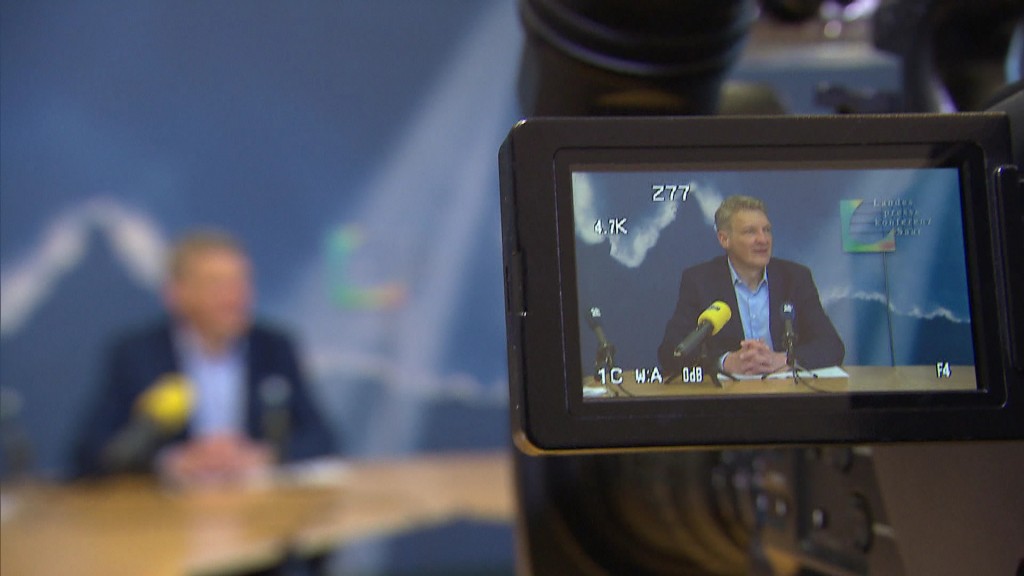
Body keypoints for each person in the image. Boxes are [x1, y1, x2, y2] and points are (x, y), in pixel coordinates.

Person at [75, 230, 335, 486]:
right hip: (168, 518)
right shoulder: (138, 354)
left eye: (241, 282)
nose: (234, 296)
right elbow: (92, 450)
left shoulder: (274, 348)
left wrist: (263, 455)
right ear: (177, 294)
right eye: (217, 284)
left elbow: (321, 439)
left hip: (259, 511)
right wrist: (171, 461)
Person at [658, 195, 844, 378]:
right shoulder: (700, 281)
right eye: (750, 232)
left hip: (787, 395)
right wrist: (726, 362)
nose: (763, 240)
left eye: (767, 230)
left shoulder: (795, 278)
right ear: (724, 239)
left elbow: (831, 346)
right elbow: (671, 352)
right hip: (728, 400)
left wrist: (783, 359)